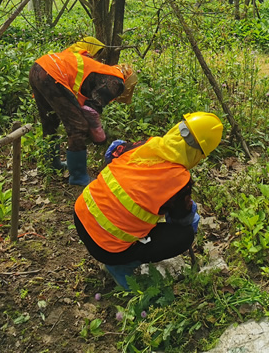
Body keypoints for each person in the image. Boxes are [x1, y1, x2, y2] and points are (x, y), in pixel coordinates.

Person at [74, 112, 224, 289]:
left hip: (81, 214)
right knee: (184, 236)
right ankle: (121, 266)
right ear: (199, 154)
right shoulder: (179, 182)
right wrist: (188, 213)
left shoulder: (145, 145)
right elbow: (180, 221)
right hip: (107, 249)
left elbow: (114, 153)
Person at [29, 37, 137, 185]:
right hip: (53, 74)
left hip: (39, 67)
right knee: (78, 126)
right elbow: (90, 110)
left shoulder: (100, 71)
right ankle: (78, 177)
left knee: (50, 121)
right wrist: (99, 136)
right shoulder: (116, 81)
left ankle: (52, 165)